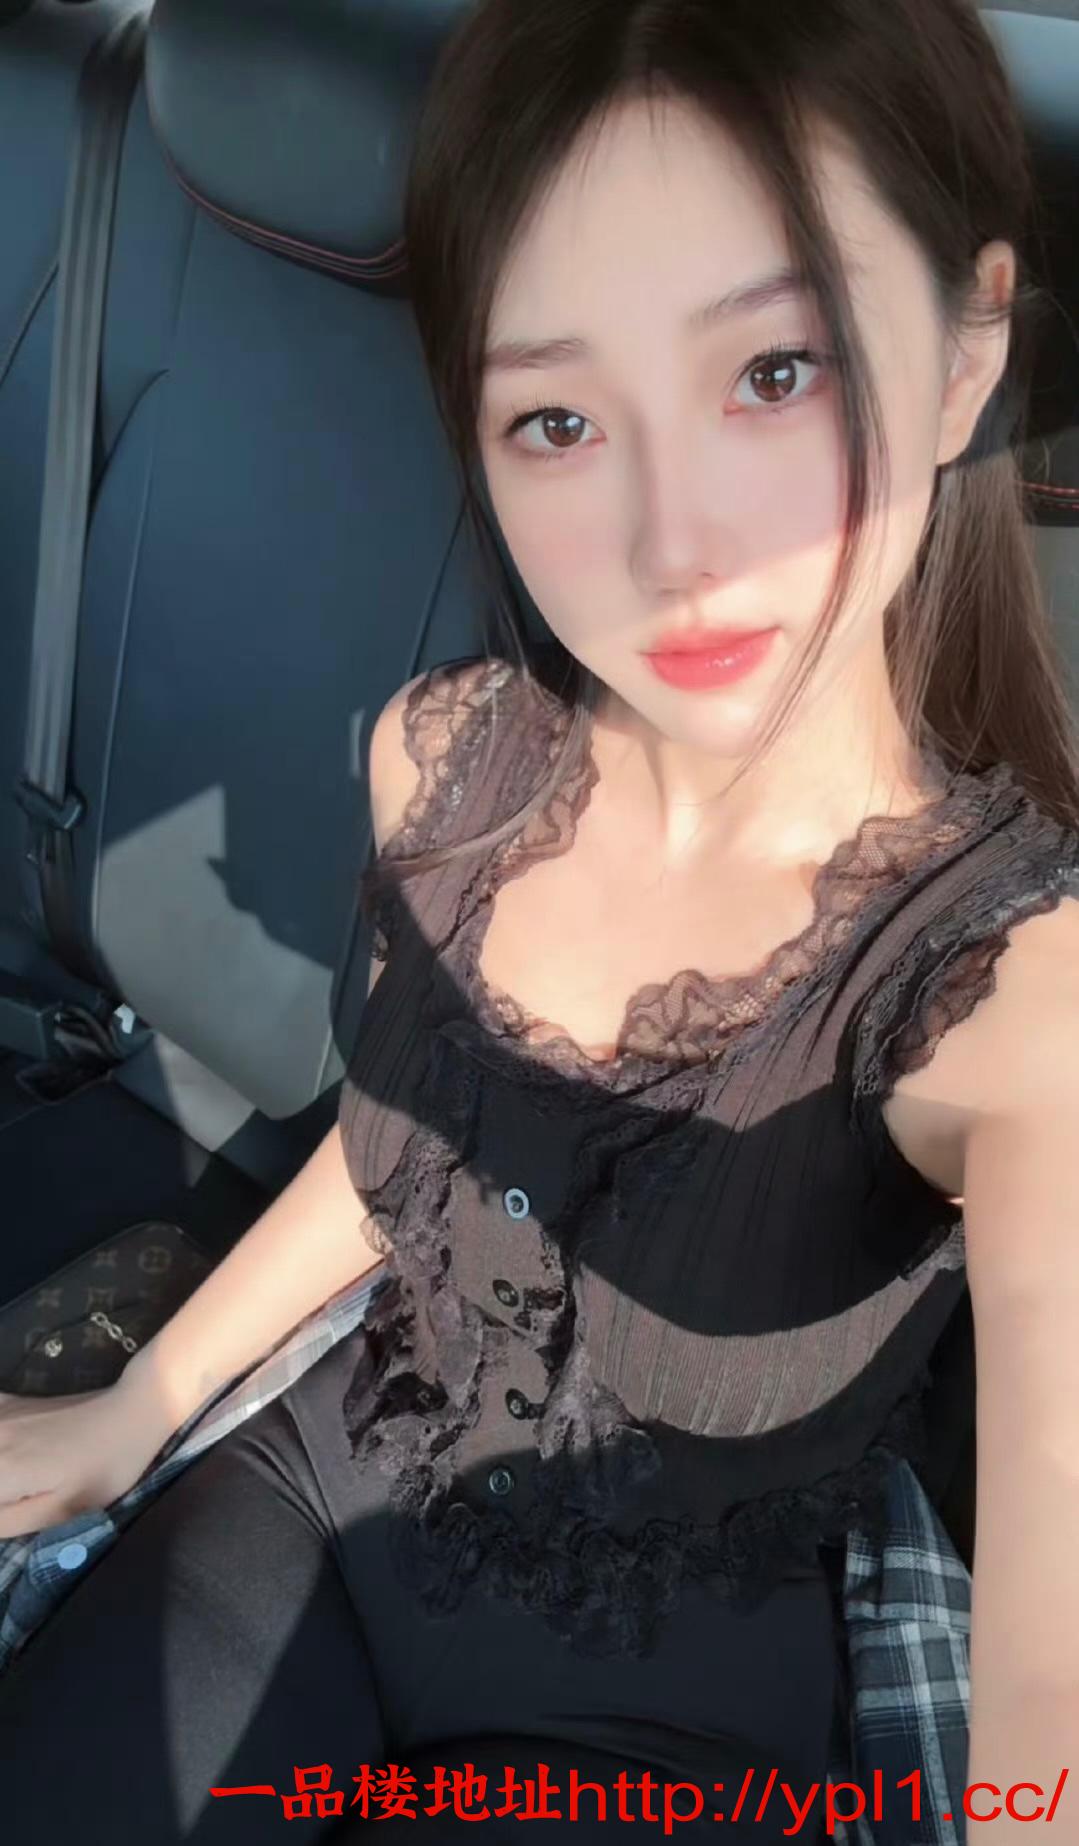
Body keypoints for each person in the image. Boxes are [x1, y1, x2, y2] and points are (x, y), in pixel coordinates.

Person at [2, 0, 1078, 1838]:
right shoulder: (442, 764)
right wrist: (142, 1405)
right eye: (559, 420)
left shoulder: (1009, 991)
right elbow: (402, 1149)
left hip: (667, 1721)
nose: (674, 547)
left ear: (969, 347)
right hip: (317, 1500)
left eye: (777, 372)